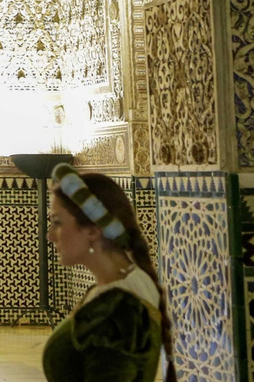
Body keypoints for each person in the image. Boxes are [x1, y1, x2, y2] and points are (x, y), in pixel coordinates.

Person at [44, 164, 174, 382]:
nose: (50, 236)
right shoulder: (127, 282)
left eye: (57, 223)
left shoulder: (116, 310)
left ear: (93, 230)